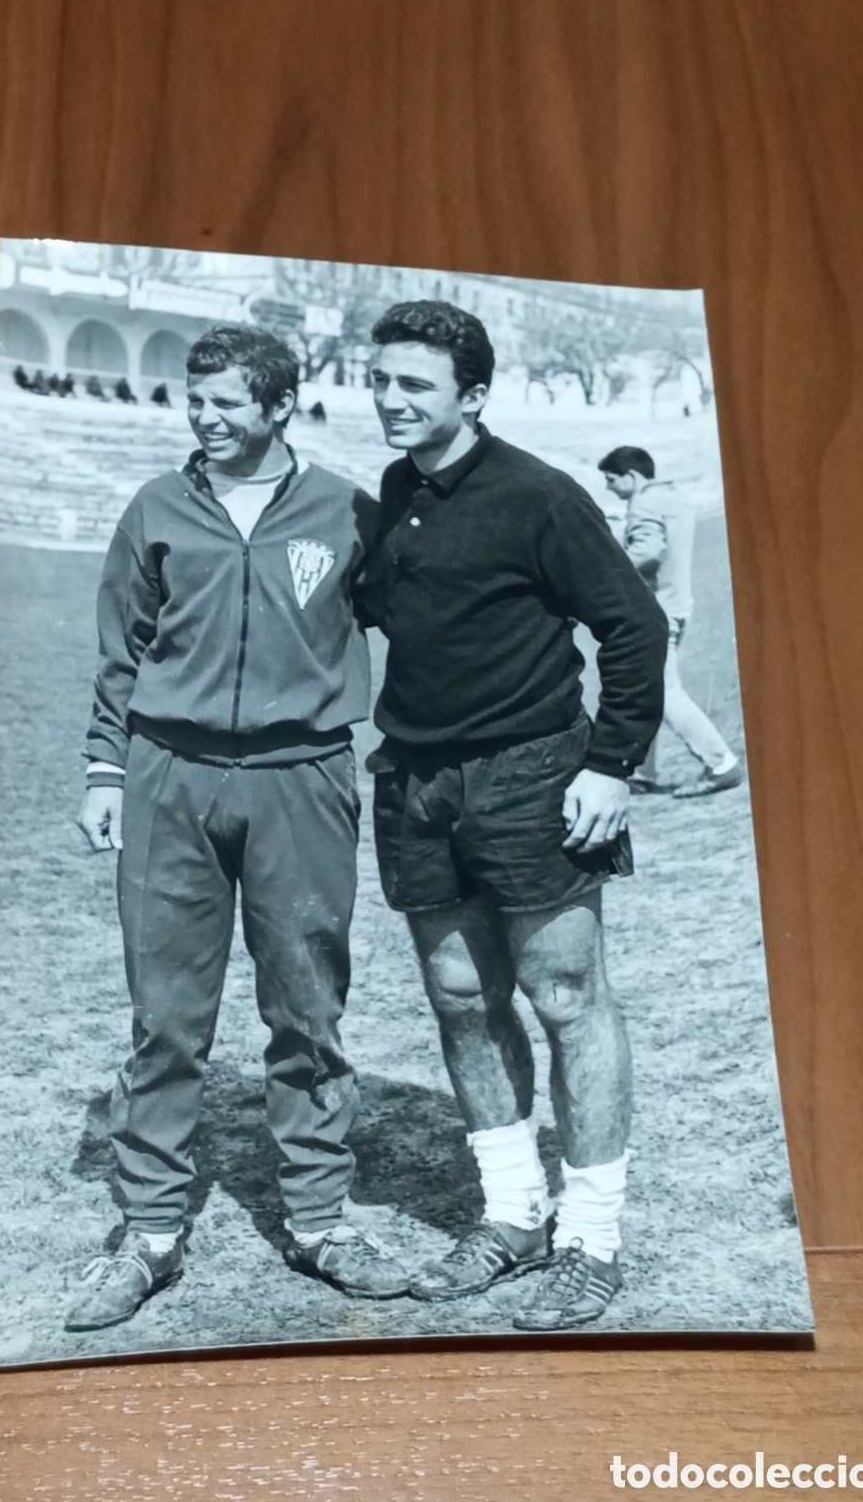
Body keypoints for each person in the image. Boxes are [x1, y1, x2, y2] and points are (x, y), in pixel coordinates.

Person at [65, 323, 409, 1333]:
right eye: (196, 400)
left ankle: (319, 1220)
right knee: (166, 1016)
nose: (206, 418)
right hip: (166, 776)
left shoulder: (347, 509)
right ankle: (150, 1234)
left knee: (307, 1006)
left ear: (279, 405)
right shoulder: (156, 507)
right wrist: (104, 771)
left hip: (303, 777)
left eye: (227, 403)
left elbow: (418, 625)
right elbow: (121, 650)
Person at [356, 301, 668, 1331]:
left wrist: (611, 764)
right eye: (381, 380)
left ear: (475, 395)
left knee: (567, 996)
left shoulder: (540, 494)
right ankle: (514, 1216)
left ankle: (592, 1237)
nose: (392, 399)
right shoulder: (398, 490)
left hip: (533, 773)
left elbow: (634, 626)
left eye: (417, 385)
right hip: (417, 778)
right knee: (459, 996)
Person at [598, 446, 743, 798]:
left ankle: (721, 764)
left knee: (664, 691)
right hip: (679, 604)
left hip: (657, 611)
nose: (608, 488)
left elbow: (647, 551)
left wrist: (603, 570)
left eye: (612, 480)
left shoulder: (644, 504)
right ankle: (642, 772)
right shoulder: (673, 497)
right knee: (647, 687)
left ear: (632, 476)